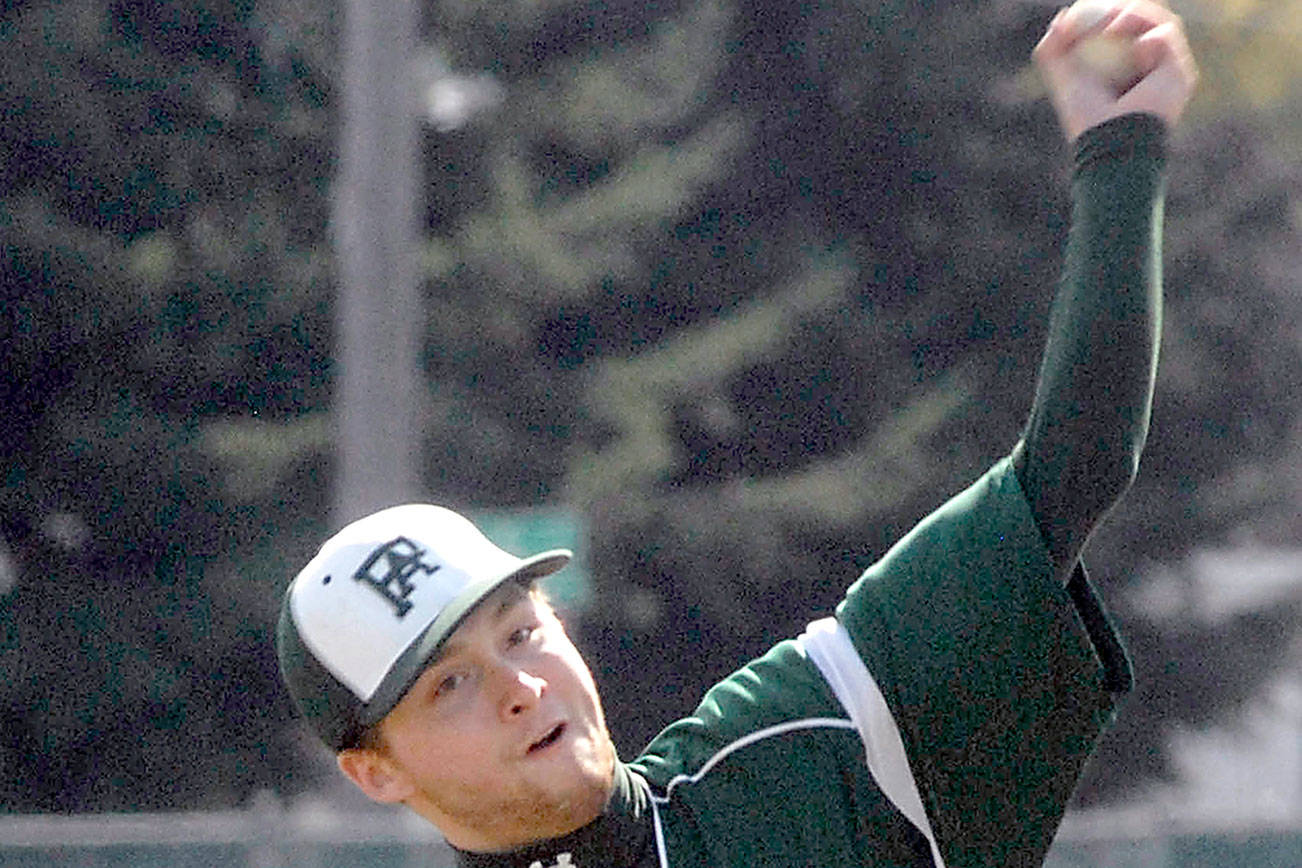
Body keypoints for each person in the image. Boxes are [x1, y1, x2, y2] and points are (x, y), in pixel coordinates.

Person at [275, 3, 1197, 866]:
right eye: (449, 684)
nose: (519, 686)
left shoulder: (803, 755)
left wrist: (1118, 157)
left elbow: (1075, 466)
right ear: (375, 772)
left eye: (519, 632)